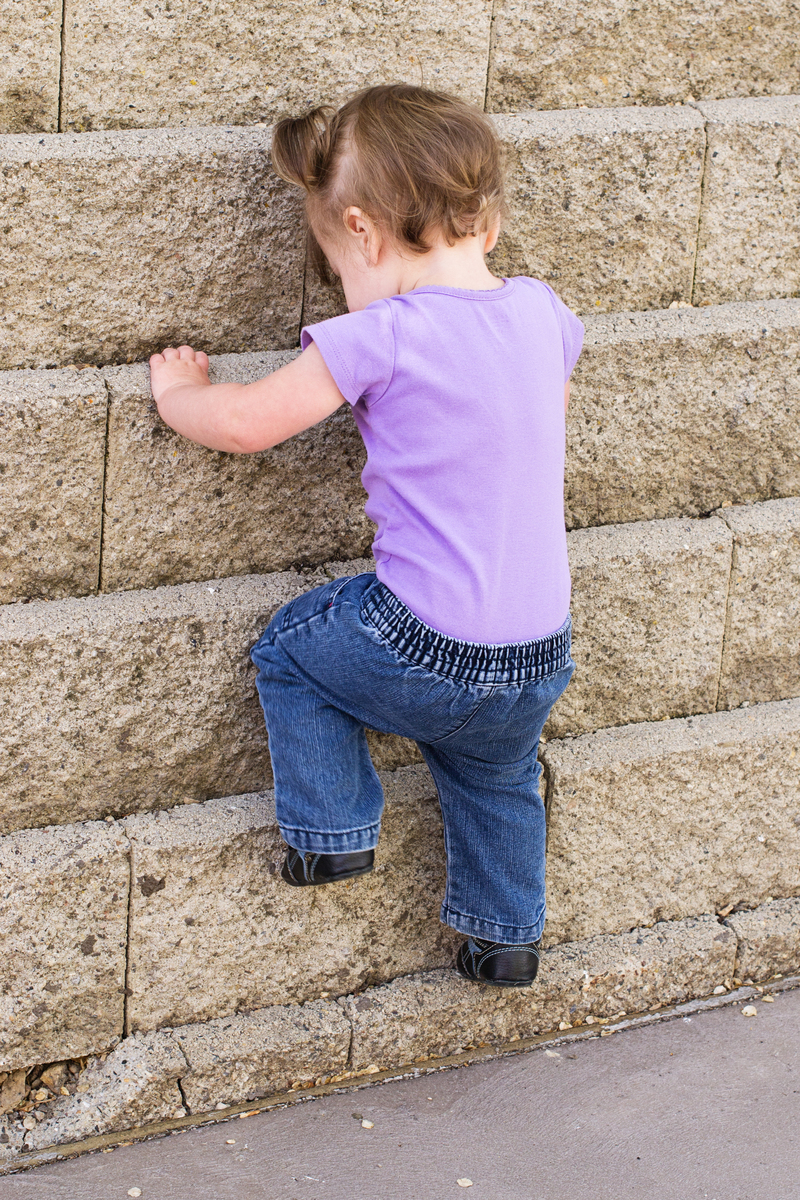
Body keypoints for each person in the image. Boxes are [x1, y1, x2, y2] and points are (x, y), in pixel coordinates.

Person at [149, 84, 583, 988]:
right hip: (539, 651)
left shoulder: (381, 334)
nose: (344, 288)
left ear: (364, 231)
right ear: (487, 224)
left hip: (421, 640)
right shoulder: (547, 315)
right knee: (495, 775)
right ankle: (504, 939)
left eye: (335, 264)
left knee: (294, 651)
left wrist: (179, 392)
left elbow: (248, 423)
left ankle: (331, 835)